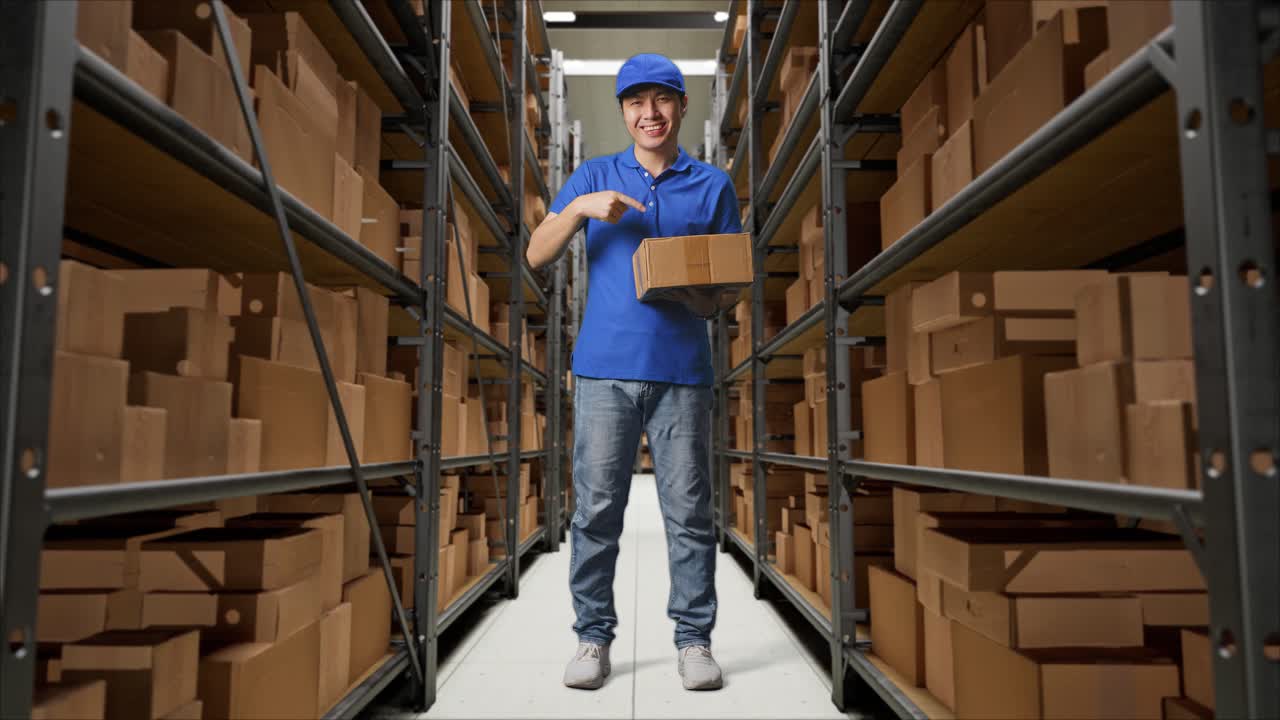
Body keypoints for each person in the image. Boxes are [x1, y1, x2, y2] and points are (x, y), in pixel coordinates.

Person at [526, 53, 741, 691]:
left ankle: (694, 642)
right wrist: (581, 206)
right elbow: (537, 253)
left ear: (681, 106)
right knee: (595, 510)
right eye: (636, 103)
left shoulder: (712, 186)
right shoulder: (594, 175)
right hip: (602, 370)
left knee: (690, 513)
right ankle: (592, 639)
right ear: (623, 111)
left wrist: (698, 293)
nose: (650, 114)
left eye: (663, 100)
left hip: (682, 370)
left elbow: (729, 287)